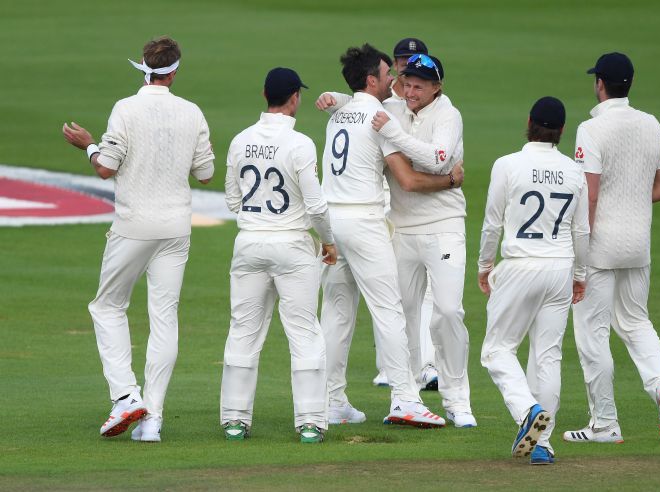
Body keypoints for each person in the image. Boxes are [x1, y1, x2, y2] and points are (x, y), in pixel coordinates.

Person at [61, 36, 214, 442]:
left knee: (107, 306)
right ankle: (153, 420)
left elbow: (105, 169)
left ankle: (127, 395)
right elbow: (205, 173)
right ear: (175, 72)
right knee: (165, 318)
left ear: (143, 66)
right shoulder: (192, 111)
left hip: (134, 224)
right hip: (177, 227)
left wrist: (87, 144)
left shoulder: (126, 108)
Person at [321, 43, 461, 427]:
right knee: (390, 311)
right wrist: (450, 179)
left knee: (336, 314)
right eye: (388, 75)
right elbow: (407, 180)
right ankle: (404, 398)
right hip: (364, 221)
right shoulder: (379, 116)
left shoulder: (339, 115)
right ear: (371, 80)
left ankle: (331, 401)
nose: (395, 82)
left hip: (331, 220)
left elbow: (337, 103)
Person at [564, 52, 660, 443]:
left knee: (592, 333)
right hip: (637, 243)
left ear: (600, 84)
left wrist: (578, 254)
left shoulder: (590, 130)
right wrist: (631, 199)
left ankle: (604, 424)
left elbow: (590, 196)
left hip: (600, 246)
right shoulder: (651, 124)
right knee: (636, 322)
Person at [219, 68, 337, 444]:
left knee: (243, 330)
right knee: (303, 332)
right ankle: (310, 422)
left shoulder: (240, 140)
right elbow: (316, 206)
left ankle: (234, 420)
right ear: (294, 99)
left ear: (264, 94)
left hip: (249, 242)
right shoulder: (300, 144)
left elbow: (232, 200)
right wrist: (329, 242)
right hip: (292, 245)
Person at [478, 96, 590, 464]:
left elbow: (493, 222)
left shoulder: (508, 165)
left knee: (497, 350)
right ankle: (543, 443)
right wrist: (580, 275)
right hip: (560, 269)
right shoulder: (574, 171)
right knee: (548, 356)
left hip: (521, 266)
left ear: (529, 122)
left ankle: (528, 411)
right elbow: (582, 230)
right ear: (561, 131)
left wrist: (484, 265)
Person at [370, 53, 476, 428]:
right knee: (404, 314)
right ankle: (409, 396)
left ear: (436, 87)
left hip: (444, 224)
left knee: (448, 311)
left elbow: (439, 160)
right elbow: (359, 102)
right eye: (406, 83)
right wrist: (333, 100)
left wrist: (393, 134)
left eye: (418, 85)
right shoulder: (391, 107)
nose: (410, 91)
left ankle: (457, 399)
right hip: (402, 228)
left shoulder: (449, 114)